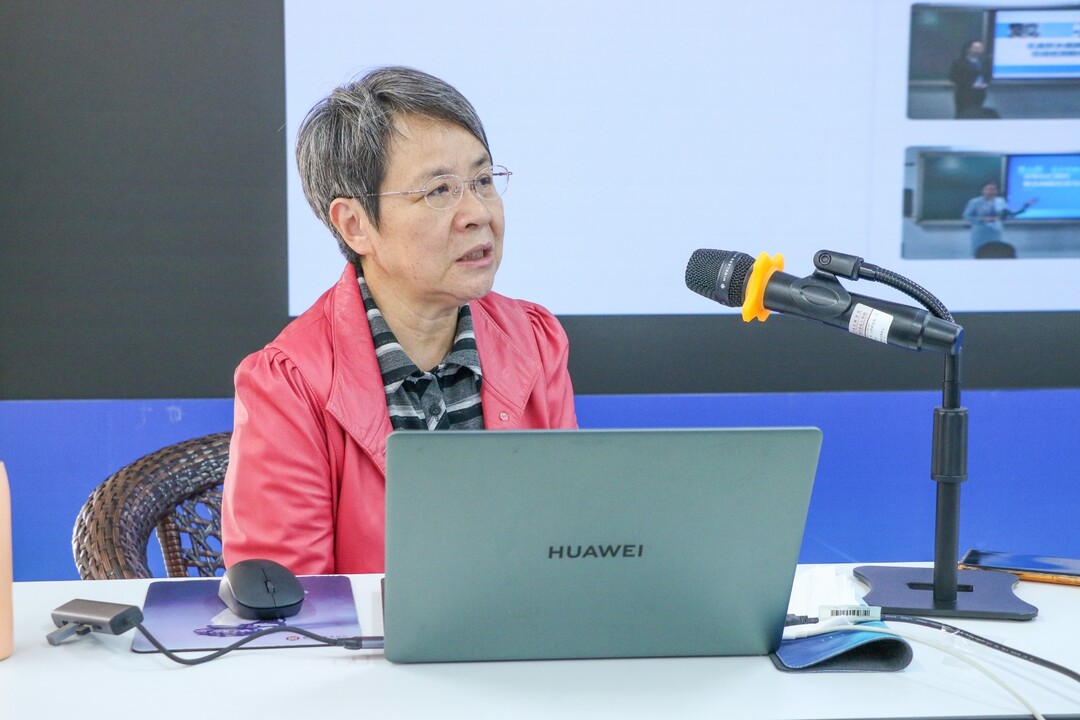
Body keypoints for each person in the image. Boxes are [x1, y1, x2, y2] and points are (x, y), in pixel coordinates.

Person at [221, 67, 578, 575]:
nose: (478, 213)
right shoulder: (290, 385)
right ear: (355, 225)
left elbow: (568, 546)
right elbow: (288, 602)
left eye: (482, 181)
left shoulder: (535, 342)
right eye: (439, 191)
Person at [961, 182, 1036, 256]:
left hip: (995, 232)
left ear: (996, 191)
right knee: (979, 252)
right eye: (987, 189)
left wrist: (1026, 205)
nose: (990, 191)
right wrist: (983, 219)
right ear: (983, 190)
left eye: (992, 189)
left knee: (995, 252)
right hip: (980, 232)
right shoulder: (975, 202)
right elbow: (966, 216)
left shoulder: (1000, 201)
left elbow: (1010, 214)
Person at [947, 40, 990, 119]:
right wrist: (971, 84)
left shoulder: (984, 62)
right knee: (964, 115)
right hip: (964, 94)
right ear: (968, 49)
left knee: (978, 114)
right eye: (976, 48)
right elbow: (953, 77)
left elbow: (987, 76)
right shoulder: (959, 62)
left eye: (981, 48)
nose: (979, 50)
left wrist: (985, 84)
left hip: (980, 94)